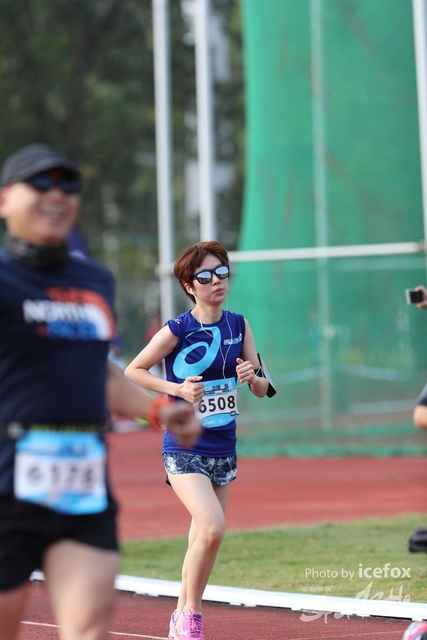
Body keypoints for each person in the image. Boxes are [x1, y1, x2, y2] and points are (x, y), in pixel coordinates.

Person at [0, 142, 202, 640]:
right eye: (40, 184)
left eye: (67, 186)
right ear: (5, 199)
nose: (56, 194)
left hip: (82, 484)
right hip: (6, 484)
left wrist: (160, 410)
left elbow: (98, 370)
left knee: (90, 628)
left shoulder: (94, 280)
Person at [124, 240, 271, 640]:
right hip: (184, 446)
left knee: (200, 537)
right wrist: (176, 389)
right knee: (212, 529)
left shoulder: (239, 325)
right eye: (205, 276)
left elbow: (263, 386)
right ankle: (192, 614)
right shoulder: (178, 329)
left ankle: (179, 618)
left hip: (224, 446)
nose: (217, 281)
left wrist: (252, 378)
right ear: (189, 286)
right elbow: (134, 370)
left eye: (222, 273)